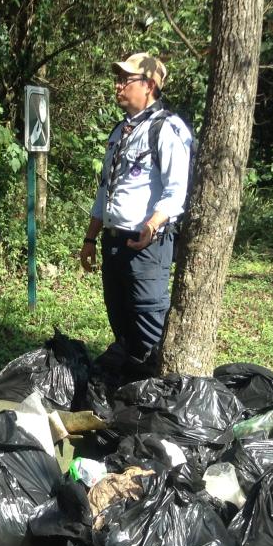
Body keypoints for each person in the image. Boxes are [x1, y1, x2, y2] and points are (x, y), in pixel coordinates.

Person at [80, 53, 192, 381]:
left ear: (149, 85)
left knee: (148, 322)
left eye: (125, 80)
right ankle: (129, 394)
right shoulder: (119, 131)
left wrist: (153, 224)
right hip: (113, 242)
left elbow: (176, 190)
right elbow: (105, 191)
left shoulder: (168, 128)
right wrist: (90, 238)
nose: (117, 85)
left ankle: (157, 393)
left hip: (147, 246)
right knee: (120, 319)